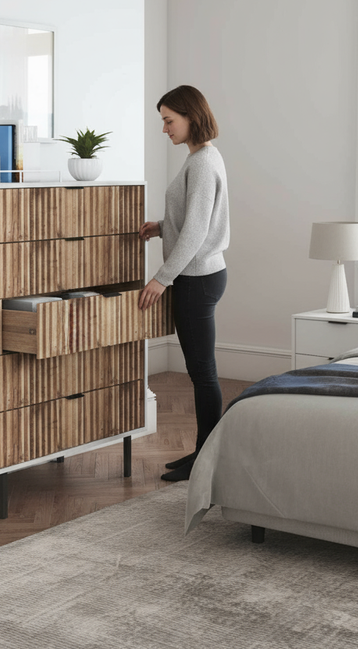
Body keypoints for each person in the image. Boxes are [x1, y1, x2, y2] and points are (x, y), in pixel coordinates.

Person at [138, 85, 230, 482]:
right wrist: (162, 227)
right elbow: (194, 219)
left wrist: (162, 279)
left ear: (191, 116)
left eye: (168, 120)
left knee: (202, 373)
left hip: (197, 279)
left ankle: (206, 460)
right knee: (201, 371)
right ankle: (203, 452)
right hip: (202, 275)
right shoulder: (202, 157)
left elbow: (195, 231)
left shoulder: (203, 162)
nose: (165, 129)